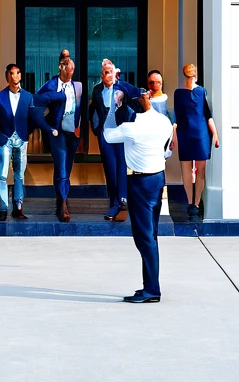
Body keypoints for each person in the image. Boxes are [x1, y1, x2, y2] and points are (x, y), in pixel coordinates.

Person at [99, 91, 175, 303]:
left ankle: (152, 289)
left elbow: (106, 133)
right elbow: (166, 146)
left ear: (132, 109)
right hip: (158, 179)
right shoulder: (164, 121)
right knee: (151, 235)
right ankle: (149, 286)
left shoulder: (130, 128)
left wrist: (113, 107)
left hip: (140, 183)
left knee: (144, 237)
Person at [85, 58, 140, 222]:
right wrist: (97, 130)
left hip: (121, 133)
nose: (107, 75)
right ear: (101, 76)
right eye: (104, 73)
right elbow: (92, 109)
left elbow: (137, 96)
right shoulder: (97, 90)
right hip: (106, 134)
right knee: (110, 170)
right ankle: (113, 203)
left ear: (115, 73)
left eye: (110, 72)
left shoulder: (122, 86)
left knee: (122, 168)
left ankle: (123, 200)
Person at [33, 50, 83, 221]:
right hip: (57, 133)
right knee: (61, 169)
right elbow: (36, 101)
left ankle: (60, 199)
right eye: (69, 69)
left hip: (73, 133)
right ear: (62, 68)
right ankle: (63, 207)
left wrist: (79, 128)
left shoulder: (78, 86)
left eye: (73, 70)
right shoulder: (51, 84)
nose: (72, 72)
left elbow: (81, 108)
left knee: (66, 170)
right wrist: (47, 122)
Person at [0, 63, 35, 221]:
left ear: (21, 76)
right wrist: (0, 139)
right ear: (7, 77)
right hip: (5, 140)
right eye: (12, 74)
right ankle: (3, 207)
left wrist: (27, 133)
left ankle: (18, 207)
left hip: (21, 140)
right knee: (3, 174)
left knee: (19, 175)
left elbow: (33, 118)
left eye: (18, 73)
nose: (15, 77)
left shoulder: (28, 97)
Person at [173, 62, 218, 221]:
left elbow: (207, 114)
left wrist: (215, 134)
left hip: (198, 133)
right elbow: (177, 117)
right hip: (190, 133)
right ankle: (193, 203)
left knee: (196, 170)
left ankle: (194, 203)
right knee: (192, 170)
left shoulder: (200, 91)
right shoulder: (180, 93)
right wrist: (174, 135)